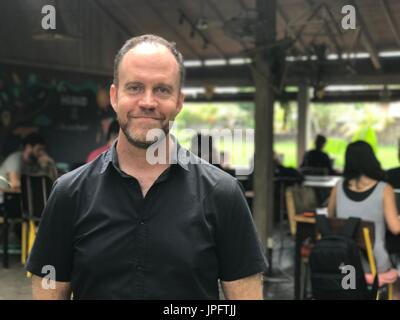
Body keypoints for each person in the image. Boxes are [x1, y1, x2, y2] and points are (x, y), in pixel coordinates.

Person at [27, 34, 267, 300]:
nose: (148, 102)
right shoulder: (69, 193)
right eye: (135, 87)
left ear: (178, 102)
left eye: (162, 89)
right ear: (115, 97)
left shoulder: (223, 194)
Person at [328, 141, 400, 273]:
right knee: (395, 282)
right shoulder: (384, 189)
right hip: (375, 264)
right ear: (371, 159)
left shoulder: (338, 186)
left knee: (351, 283)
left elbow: (330, 217)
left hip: (345, 262)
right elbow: (395, 228)